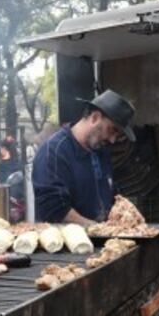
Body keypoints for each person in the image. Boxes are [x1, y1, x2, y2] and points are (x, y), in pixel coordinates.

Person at [32, 89, 135, 225]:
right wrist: (97, 229)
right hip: (65, 242)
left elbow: (110, 196)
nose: (113, 140)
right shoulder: (54, 151)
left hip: (100, 240)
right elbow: (54, 209)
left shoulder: (101, 152)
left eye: (118, 135)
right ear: (95, 118)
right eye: (113, 130)